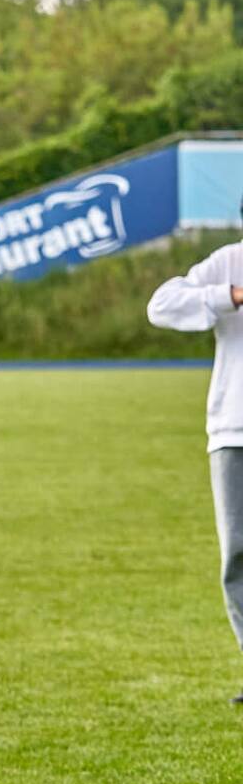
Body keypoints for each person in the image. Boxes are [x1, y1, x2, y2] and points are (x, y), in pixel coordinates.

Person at [148, 238, 243, 695]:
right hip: (234, 430)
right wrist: (232, 295)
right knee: (238, 556)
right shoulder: (229, 261)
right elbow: (161, 304)